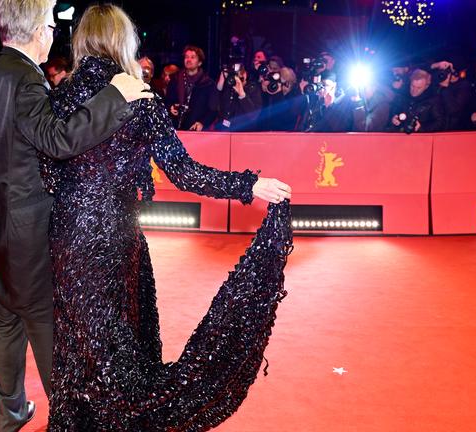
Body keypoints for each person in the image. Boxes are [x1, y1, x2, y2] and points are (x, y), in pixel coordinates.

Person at [43, 5, 293, 430]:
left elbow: (46, 170)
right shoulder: (140, 97)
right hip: (115, 234)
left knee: (78, 340)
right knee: (120, 341)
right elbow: (184, 171)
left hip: (67, 236)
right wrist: (247, 185)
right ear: (124, 41)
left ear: (83, 41)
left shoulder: (59, 96)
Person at [0, 1, 151, 430]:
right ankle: (70, 416)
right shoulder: (27, 81)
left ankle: (10, 414)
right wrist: (115, 96)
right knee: (43, 319)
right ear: (37, 31)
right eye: (51, 25)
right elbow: (59, 140)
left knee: (5, 314)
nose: (54, 32)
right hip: (27, 227)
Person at [164, 45, 217, 131]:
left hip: (196, 131)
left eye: (192, 57)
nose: (188, 60)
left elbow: (213, 110)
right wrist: (170, 107)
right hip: (175, 130)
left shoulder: (208, 84)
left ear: (199, 62)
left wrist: (202, 123)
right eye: (186, 57)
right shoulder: (175, 79)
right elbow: (167, 102)